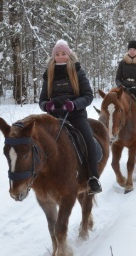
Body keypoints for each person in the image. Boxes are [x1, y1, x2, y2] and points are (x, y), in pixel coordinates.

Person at [39, 39, 102, 194]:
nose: (60, 57)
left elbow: (88, 95)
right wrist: (47, 106)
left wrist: (74, 104)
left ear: (69, 54)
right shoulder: (49, 73)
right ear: (54, 56)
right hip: (54, 118)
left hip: (76, 115)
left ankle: (93, 178)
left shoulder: (78, 71)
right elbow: (42, 100)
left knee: (88, 139)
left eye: (63, 54)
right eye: (57, 54)